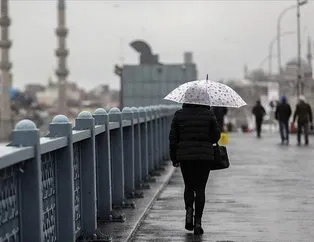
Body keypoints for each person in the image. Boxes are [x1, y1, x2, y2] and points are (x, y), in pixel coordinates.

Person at [169, 103, 220, 235]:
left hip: (186, 156)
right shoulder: (208, 114)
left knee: (189, 186)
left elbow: (173, 138)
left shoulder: (179, 114)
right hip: (205, 156)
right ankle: (198, 222)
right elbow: (216, 136)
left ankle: (189, 211)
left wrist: (174, 158)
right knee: (201, 188)